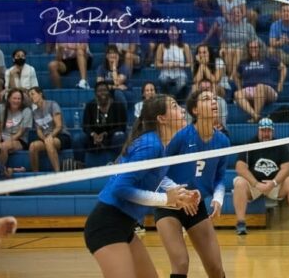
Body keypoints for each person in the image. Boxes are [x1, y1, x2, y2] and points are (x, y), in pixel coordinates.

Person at [83, 94, 199, 278]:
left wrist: (181, 193)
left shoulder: (159, 144)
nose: (182, 110)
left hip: (124, 226)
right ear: (162, 118)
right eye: (175, 106)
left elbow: (156, 177)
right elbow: (120, 188)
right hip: (106, 225)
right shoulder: (150, 144)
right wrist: (165, 199)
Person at [155, 90, 229, 278]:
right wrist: (179, 193)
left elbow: (220, 177)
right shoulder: (181, 137)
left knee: (215, 268)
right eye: (206, 99)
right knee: (181, 264)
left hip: (197, 206)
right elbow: (158, 172)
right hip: (170, 205)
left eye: (214, 99)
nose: (213, 102)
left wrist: (218, 199)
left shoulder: (222, 141)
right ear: (195, 110)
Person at [233, 117, 289, 234]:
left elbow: (287, 167)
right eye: (263, 130)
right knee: (239, 183)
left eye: (268, 131)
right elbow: (240, 167)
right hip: (254, 185)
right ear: (258, 131)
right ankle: (240, 223)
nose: (265, 134)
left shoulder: (280, 146)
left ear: (272, 132)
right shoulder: (249, 145)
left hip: (274, 185)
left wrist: (274, 182)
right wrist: (256, 184)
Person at [74, 81, 127, 164]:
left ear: (109, 92)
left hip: (111, 137)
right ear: (95, 93)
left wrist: (106, 134)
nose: (102, 93)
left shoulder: (118, 105)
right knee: (78, 139)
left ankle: (119, 164)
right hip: (93, 138)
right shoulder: (90, 105)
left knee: (120, 136)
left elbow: (122, 127)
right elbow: (86, 126)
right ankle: (80, 167)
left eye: (105, 90)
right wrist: (93, 134)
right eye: (99, 90)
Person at [233, 39, 286, 121]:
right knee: (237, 94)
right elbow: (235, 75)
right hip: (250, 90)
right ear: (248, 49)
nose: (253, 49)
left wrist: (280, 83)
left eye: (255, 47)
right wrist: (240, 87)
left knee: (260, 86)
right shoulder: (243, 63)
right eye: (251, 48)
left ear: (259, 48)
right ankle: (255, 116)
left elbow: (283, 68)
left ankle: (255, 116)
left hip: (267, 89)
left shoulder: (267, 59)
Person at [28, 87, 71, 173]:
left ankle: (57, 172)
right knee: (33, 146)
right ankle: (35, 174)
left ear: (40, 94)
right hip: (47, 138)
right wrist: (44, 138)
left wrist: (49, 137)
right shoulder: (35, 112)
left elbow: (59, 126)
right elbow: (39, 130)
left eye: (33, 94)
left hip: (61, 135)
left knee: (49, 142)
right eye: (29, 96)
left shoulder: (52, 104)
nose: (31, 97)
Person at [0, 89, 32, 166]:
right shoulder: (0, 108)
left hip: (19, 140)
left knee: (3, 146)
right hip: (2, 137)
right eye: (14, 98)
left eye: (19, 99)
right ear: (8, 99)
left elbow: (21, 132)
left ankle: (0, 170)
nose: (17, 101)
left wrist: (4, 142)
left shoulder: (26, 111)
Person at [155, 25, 193, 103]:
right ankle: (170, 99)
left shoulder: (185, 46)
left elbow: (190, 64)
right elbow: (157, 64)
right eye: (171, 30)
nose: (173, 32)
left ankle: (171, 98)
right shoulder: (161, 46)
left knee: (182, 82)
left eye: (175, 30)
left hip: (180, 73)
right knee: (162, 80)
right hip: (165, 72)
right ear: (167, 33)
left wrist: (179, 65)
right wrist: (166, 65)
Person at [96, 45, 132, 109]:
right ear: (107, 56)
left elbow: (117, 82)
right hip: (109, 92)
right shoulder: (101, 68)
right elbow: (100, 85)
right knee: (103, 94)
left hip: (125, 93)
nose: (112, 55)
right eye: (110, 53)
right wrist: (114, 87)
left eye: (115, 53)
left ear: (118, 55)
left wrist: (114, 67)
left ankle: (122, 116)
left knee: (117, 93)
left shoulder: (124, 68)